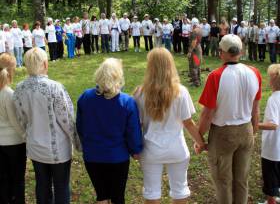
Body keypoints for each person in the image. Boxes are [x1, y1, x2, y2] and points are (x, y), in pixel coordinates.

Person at [134, 48, 204, 204]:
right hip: (177, 148)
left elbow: (136, 125)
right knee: (180, 190)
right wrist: (201, 143)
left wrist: (134, 149)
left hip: (150, 149)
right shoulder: (181, 92)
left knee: (152, 191)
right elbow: (188, 123)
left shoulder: (140, 93)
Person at [197, 34, 261, 204]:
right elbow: (256, 109)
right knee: (241, 180)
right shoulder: (254, 72)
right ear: (240, 51)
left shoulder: (216, 76)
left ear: (222, 53)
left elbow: (207, 114)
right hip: (246, 129)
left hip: (223, 134)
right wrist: (252, 132)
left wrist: (199, 138)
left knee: (223, 181)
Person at [13, 47, 80, 204]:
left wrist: (28, 135)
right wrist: (77, 142)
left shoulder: (19, 88)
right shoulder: (55, 87)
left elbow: (21, 119)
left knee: (42, 186)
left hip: (35, 147)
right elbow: (67, 120)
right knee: (61, 186)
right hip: (57, 150)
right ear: (45, 63)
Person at [76, 58, 142, 204]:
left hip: (93, 156)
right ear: (118, 76)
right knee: (118, 196)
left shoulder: (86, 97)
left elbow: (80, 126)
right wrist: (136, 150)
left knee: (102, 195)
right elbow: (133, 131)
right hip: (116, 157)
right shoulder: (126, 102)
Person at [0, 53, 26, 204]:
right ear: (11, 70)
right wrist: (25, 136)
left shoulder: (8, 93)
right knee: (16, 179)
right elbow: (16, 122)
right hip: (14, 143)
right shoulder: (8, 94)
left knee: (3, 178)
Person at [259, 64, 280, 204]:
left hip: (272, 150)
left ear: (273, 80)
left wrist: (254, 124)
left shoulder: (274, 99)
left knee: (271, 181)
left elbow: (273, 125)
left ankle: (271, 201)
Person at [188, 18, 202, 87]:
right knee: (197, 65)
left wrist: (190, 51)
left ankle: (196, 82)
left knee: (194, 66)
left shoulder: (194, 31)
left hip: (195, 50)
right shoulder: (199, 30)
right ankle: (198, 79)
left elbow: (194, 42)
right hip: (198, 48)